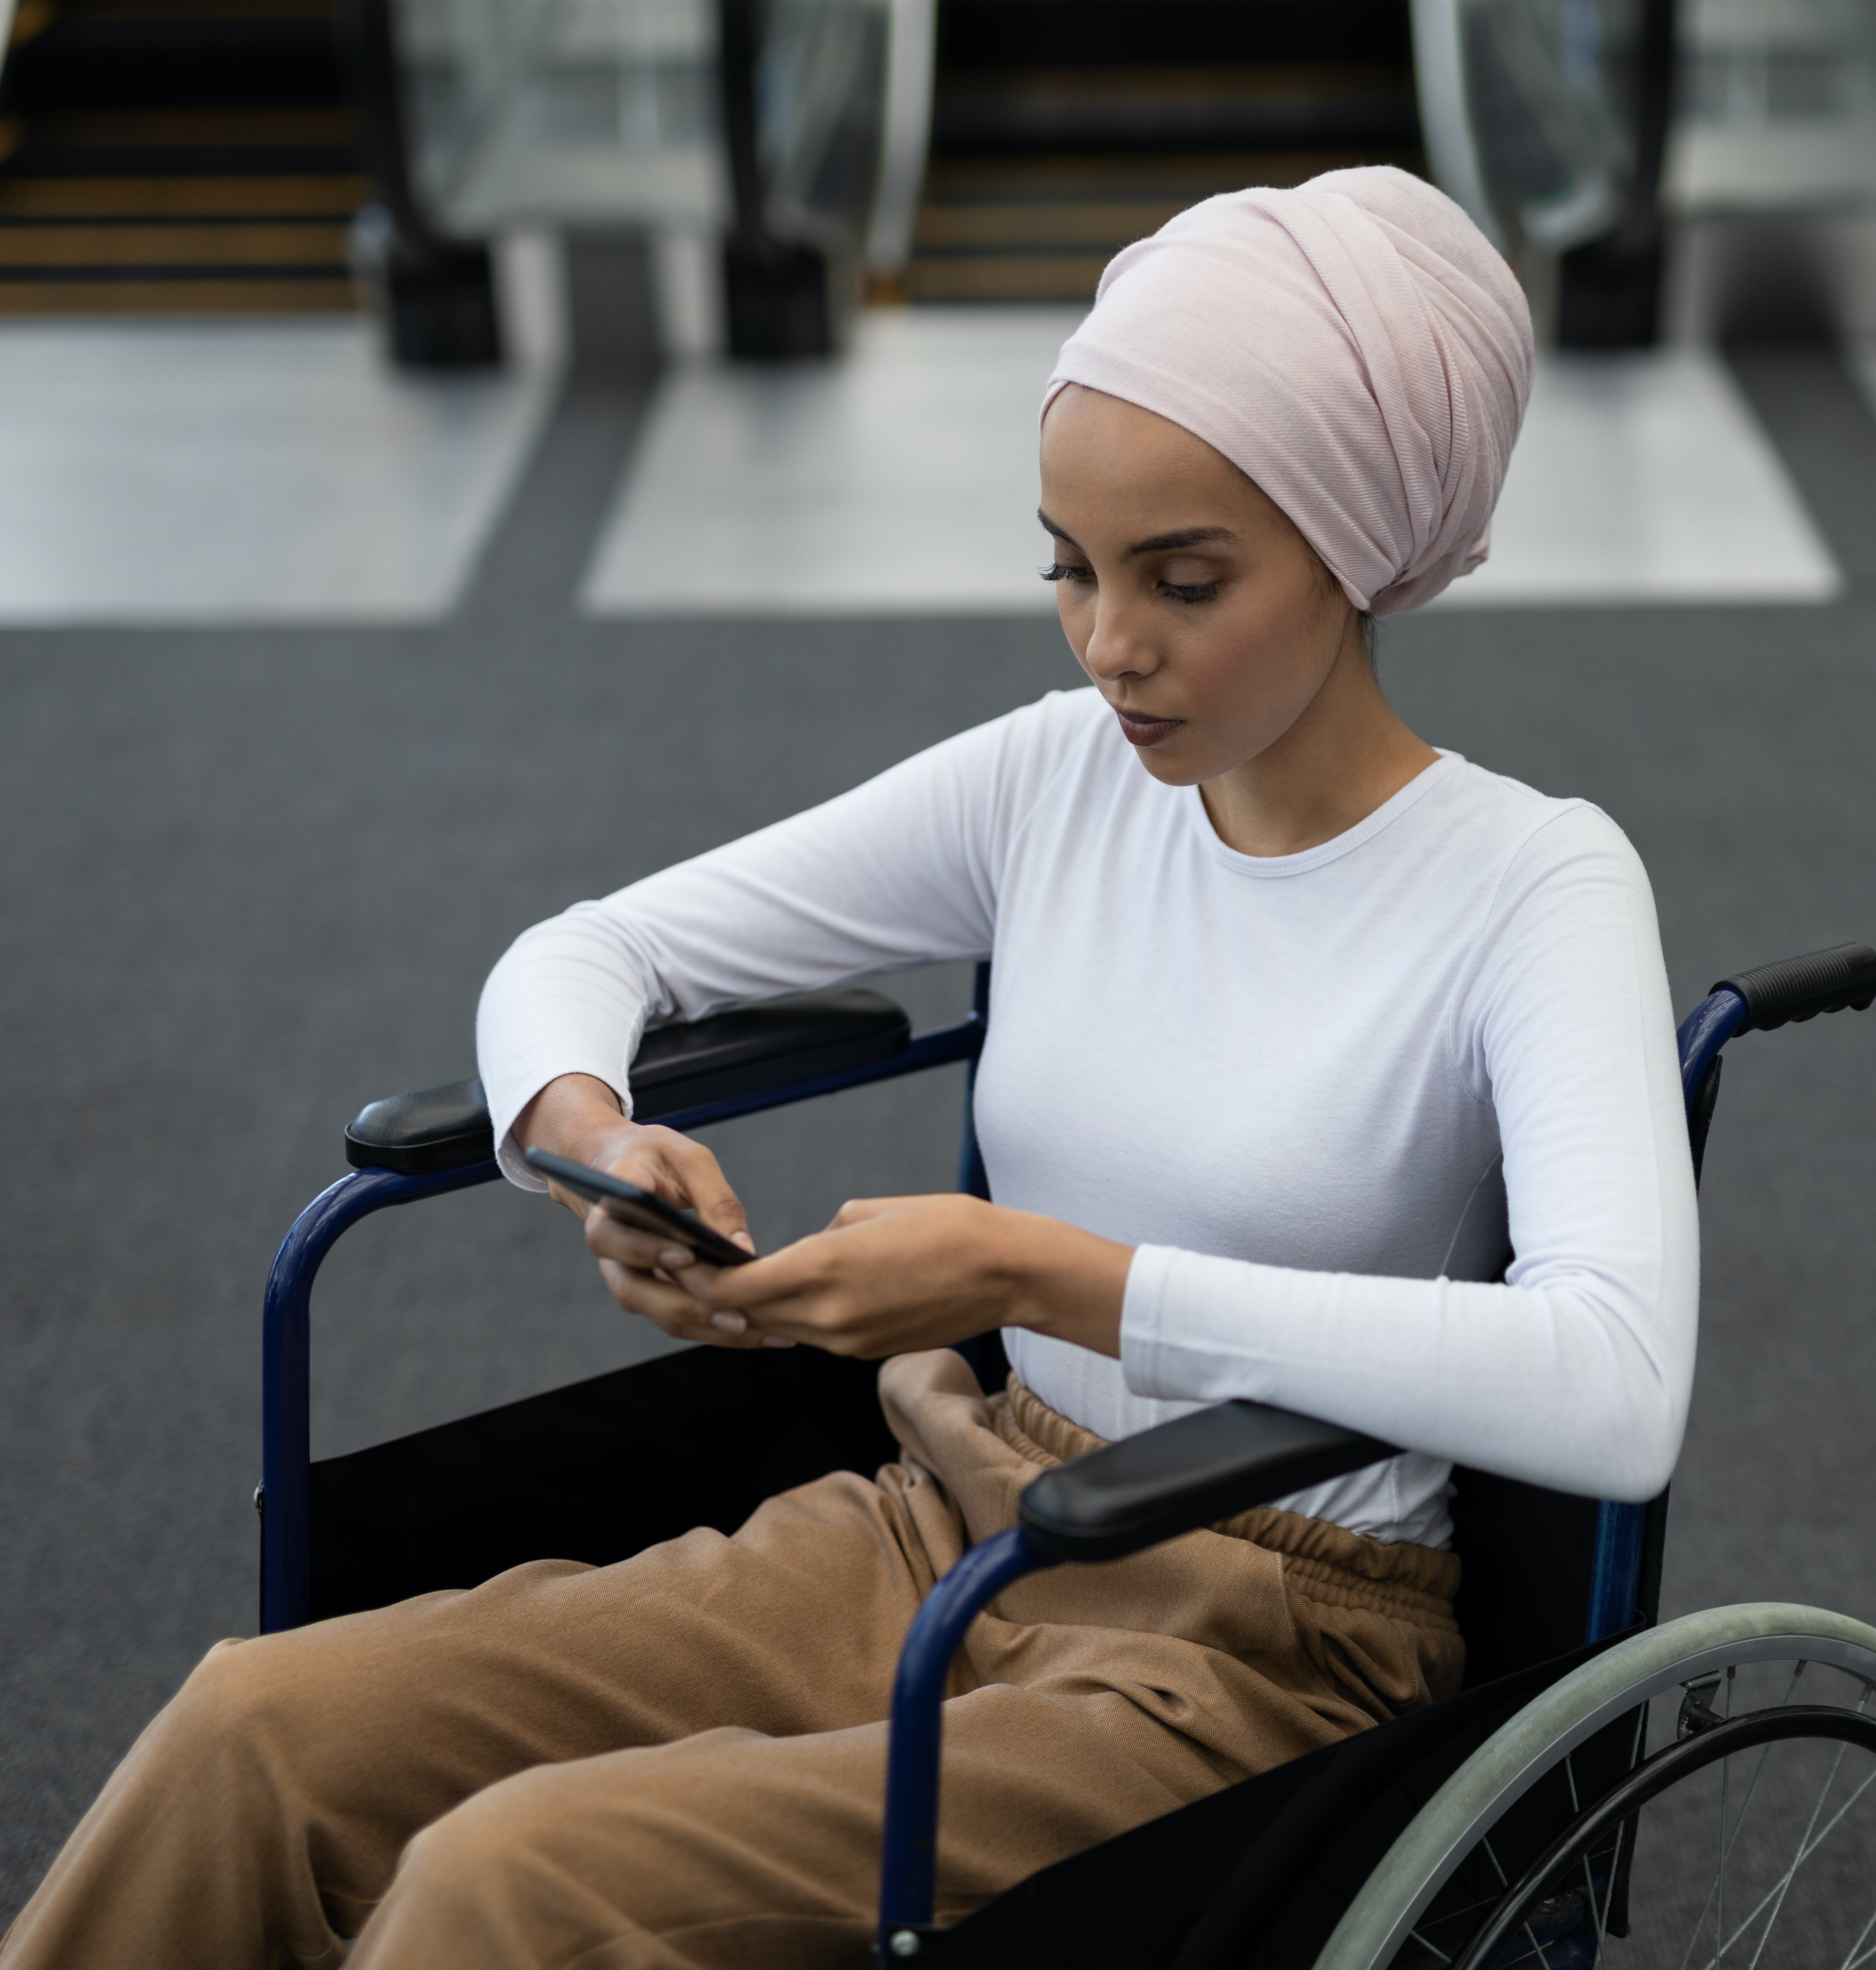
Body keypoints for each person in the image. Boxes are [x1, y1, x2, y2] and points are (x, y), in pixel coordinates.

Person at [1, 166, 1696, 1970]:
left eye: (1181, 580)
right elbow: (588, 953)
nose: (1108, 641)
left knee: (514, 1882)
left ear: (1357, 549)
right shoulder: (1055, 784)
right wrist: (589, 1129)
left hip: (1262, 1650)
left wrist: (1044, 1275)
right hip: (958, 1504)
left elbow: (1612, 1384)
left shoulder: (1530, 880)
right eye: (1067, 566)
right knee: (255, 1739)